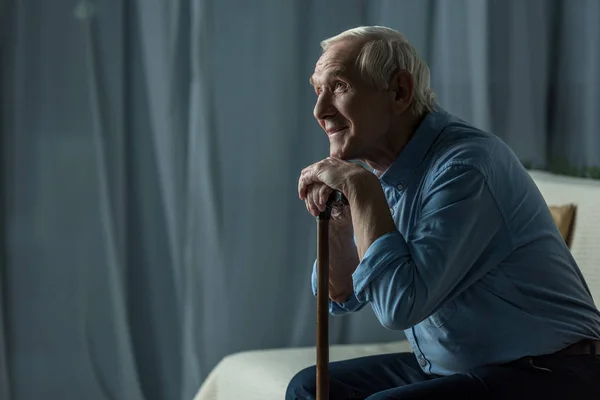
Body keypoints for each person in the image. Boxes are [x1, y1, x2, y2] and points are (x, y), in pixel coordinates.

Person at [288, 26, 600, 399]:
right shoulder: (388, 173)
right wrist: (339, 215)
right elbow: (339, 293)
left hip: (553, 371)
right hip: (459, 367)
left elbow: (399, 306)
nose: (319, 110)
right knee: (308, 387)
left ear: (399, 91)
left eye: (338, 87)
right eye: (317, 89)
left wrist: (361, 189)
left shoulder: (464, 167)